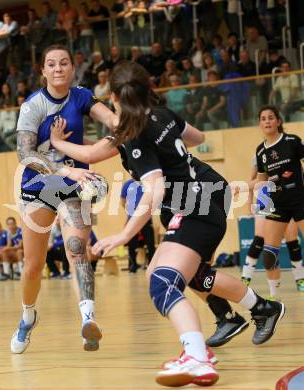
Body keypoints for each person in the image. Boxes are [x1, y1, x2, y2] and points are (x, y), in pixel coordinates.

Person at [50, 61, 285, 387]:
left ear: (114, 96)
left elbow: (155, 188)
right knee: (189, 276)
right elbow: (197, 137)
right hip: (204, 200)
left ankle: (198, 357)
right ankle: (260, 309)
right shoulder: (161, 114)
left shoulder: (135, 134)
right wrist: (58, 143)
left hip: (196, 208)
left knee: (163, 282)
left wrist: (122, 235)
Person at [10, 44, 116, 355]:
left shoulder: (81, 96)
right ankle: (28, 315)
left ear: (72, 68)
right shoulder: (32, 106)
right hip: (39, 185)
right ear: (43, 71)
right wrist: (64, 170)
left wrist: (131, 123)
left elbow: (111, 120)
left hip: (75, 185)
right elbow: (25, 155)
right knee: (33, 266)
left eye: (64, 63)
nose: (58, 69)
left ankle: (88, 320)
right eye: (52, 64)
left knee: (77, 250)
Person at [251, 106, 304, 300]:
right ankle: (275, 298)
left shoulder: (292, 142)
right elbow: (261, 180)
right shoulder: (260, 151)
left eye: (271, 118)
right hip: (278, 204)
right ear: (259, 123)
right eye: (263, 118)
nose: (267, 121)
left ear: (278, 121)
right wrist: (241, 187)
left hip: (300, 200)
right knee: (269, 253)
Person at [241, 157, 304, 293]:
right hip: (265, 199)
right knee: (259, 240)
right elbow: (252, 180)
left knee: (292, 241)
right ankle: (245, 278)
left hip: (288, 201)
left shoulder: (291, 151)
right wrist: (249, 203)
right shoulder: (259, 155)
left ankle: (300, 279)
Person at [120, 178, 155, 272]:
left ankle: (151, 264)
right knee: (131, 242)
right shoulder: (127, 184)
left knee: (150, 242)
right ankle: (133, 265)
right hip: (132, 217)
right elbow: (122, 201)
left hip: (146, 217)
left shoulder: (147, 183)